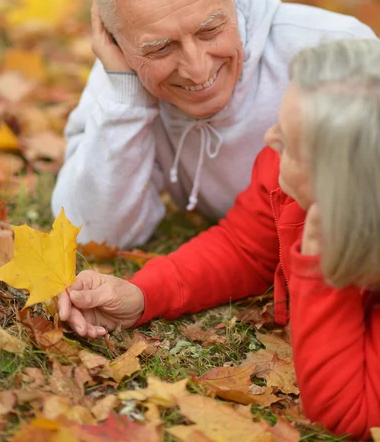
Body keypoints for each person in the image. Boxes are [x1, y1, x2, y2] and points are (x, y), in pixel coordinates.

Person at [59, 38, 380, 439]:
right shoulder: (283, 176)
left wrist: (321, 266)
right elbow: (243, 247)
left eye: (291, 143)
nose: (269, 138)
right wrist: (141, 295)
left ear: (345, 188)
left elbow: (350, 415)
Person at [51, 0, 376, 249]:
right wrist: (126, 97)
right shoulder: (124, 74)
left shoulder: (331, 50)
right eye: (162, 49)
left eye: (210, 30)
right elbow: (91, 235)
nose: (197, 69)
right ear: (116, 43)